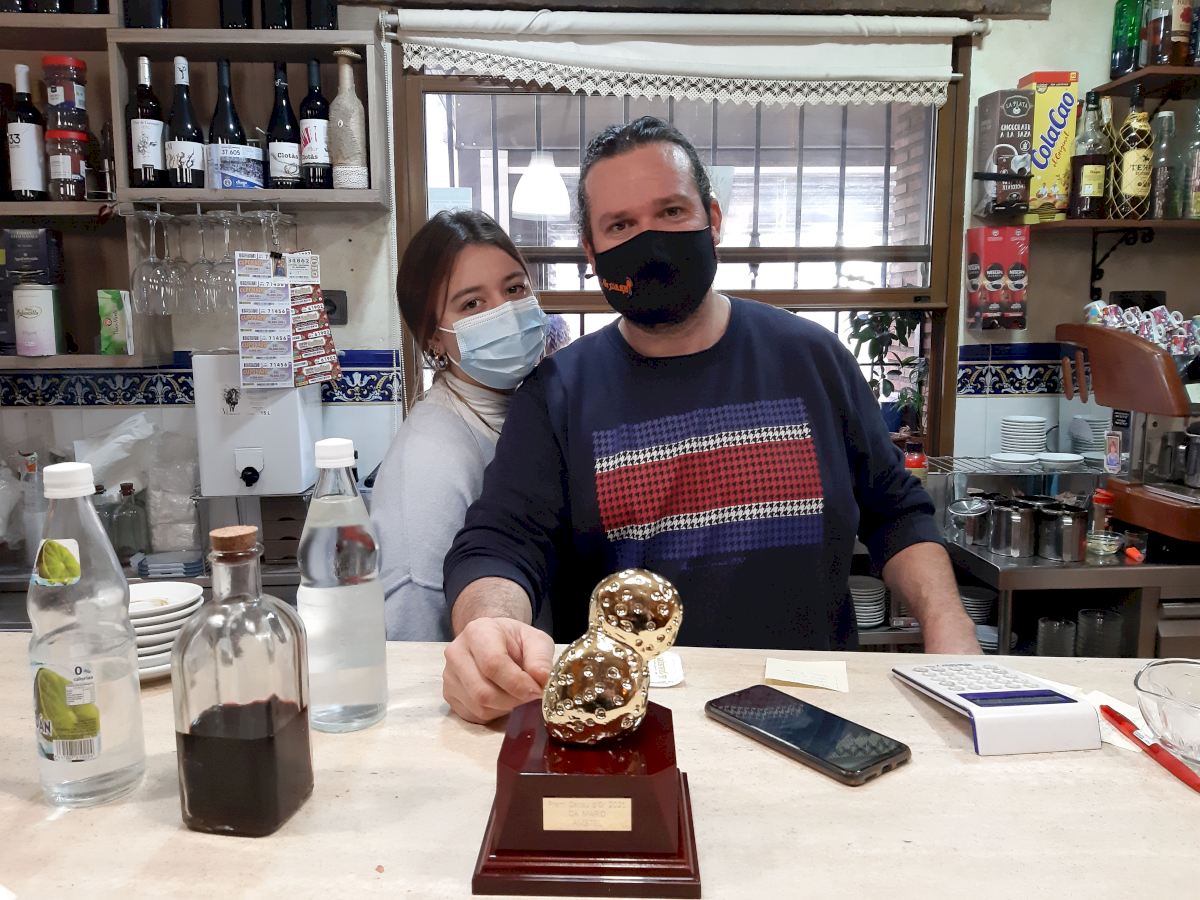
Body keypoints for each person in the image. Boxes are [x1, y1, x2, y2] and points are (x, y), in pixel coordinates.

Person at [441, 117, 980, 724]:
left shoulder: (812, 359)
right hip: (633, 727)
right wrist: (490, 626)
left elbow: (895, 512)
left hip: (816, 719)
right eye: (620, 225)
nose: (649, 241)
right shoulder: (558, 394)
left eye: (671, 212)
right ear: (591, 253)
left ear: (713, 219)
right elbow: (500, 543)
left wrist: (949, 623)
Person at [371, 209, 549, 640]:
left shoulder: (531, 411)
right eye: (472, 303)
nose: (506, 313)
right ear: (434, 337)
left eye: (515, 289)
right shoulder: (430, 461)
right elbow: (415, 627)